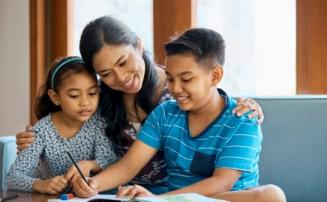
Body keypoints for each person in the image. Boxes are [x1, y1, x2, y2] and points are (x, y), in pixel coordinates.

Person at [15, 16, 265, 194]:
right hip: (133, 192)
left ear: (138, 45)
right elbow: (125, 164)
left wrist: (248, 107)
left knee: (270, 195)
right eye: (107, 73)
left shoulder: (181, 96)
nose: (121, 78)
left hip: (167, 194)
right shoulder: (103, 99)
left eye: (123, 62)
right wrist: (38, 136)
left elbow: (209, 93)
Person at [73, 28, 285, 202]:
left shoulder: (243, 119)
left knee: (271, 195)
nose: (175, 89)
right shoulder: (165, 113)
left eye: (186, 79)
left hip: (219, 199)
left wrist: (159, 200)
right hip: (173, 199)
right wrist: (94, 184)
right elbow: (129, 165)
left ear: (216, 75)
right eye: (171, 79)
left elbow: (222, 182)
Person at [7, 56, 117, 195]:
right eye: (74, 95)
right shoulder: (41, 131)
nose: (85, 102)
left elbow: (109, 160)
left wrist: (89, 165)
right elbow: (13, 177)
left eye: (92, 93)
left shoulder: (98, 121)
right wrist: (41, 185)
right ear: (55, 97)